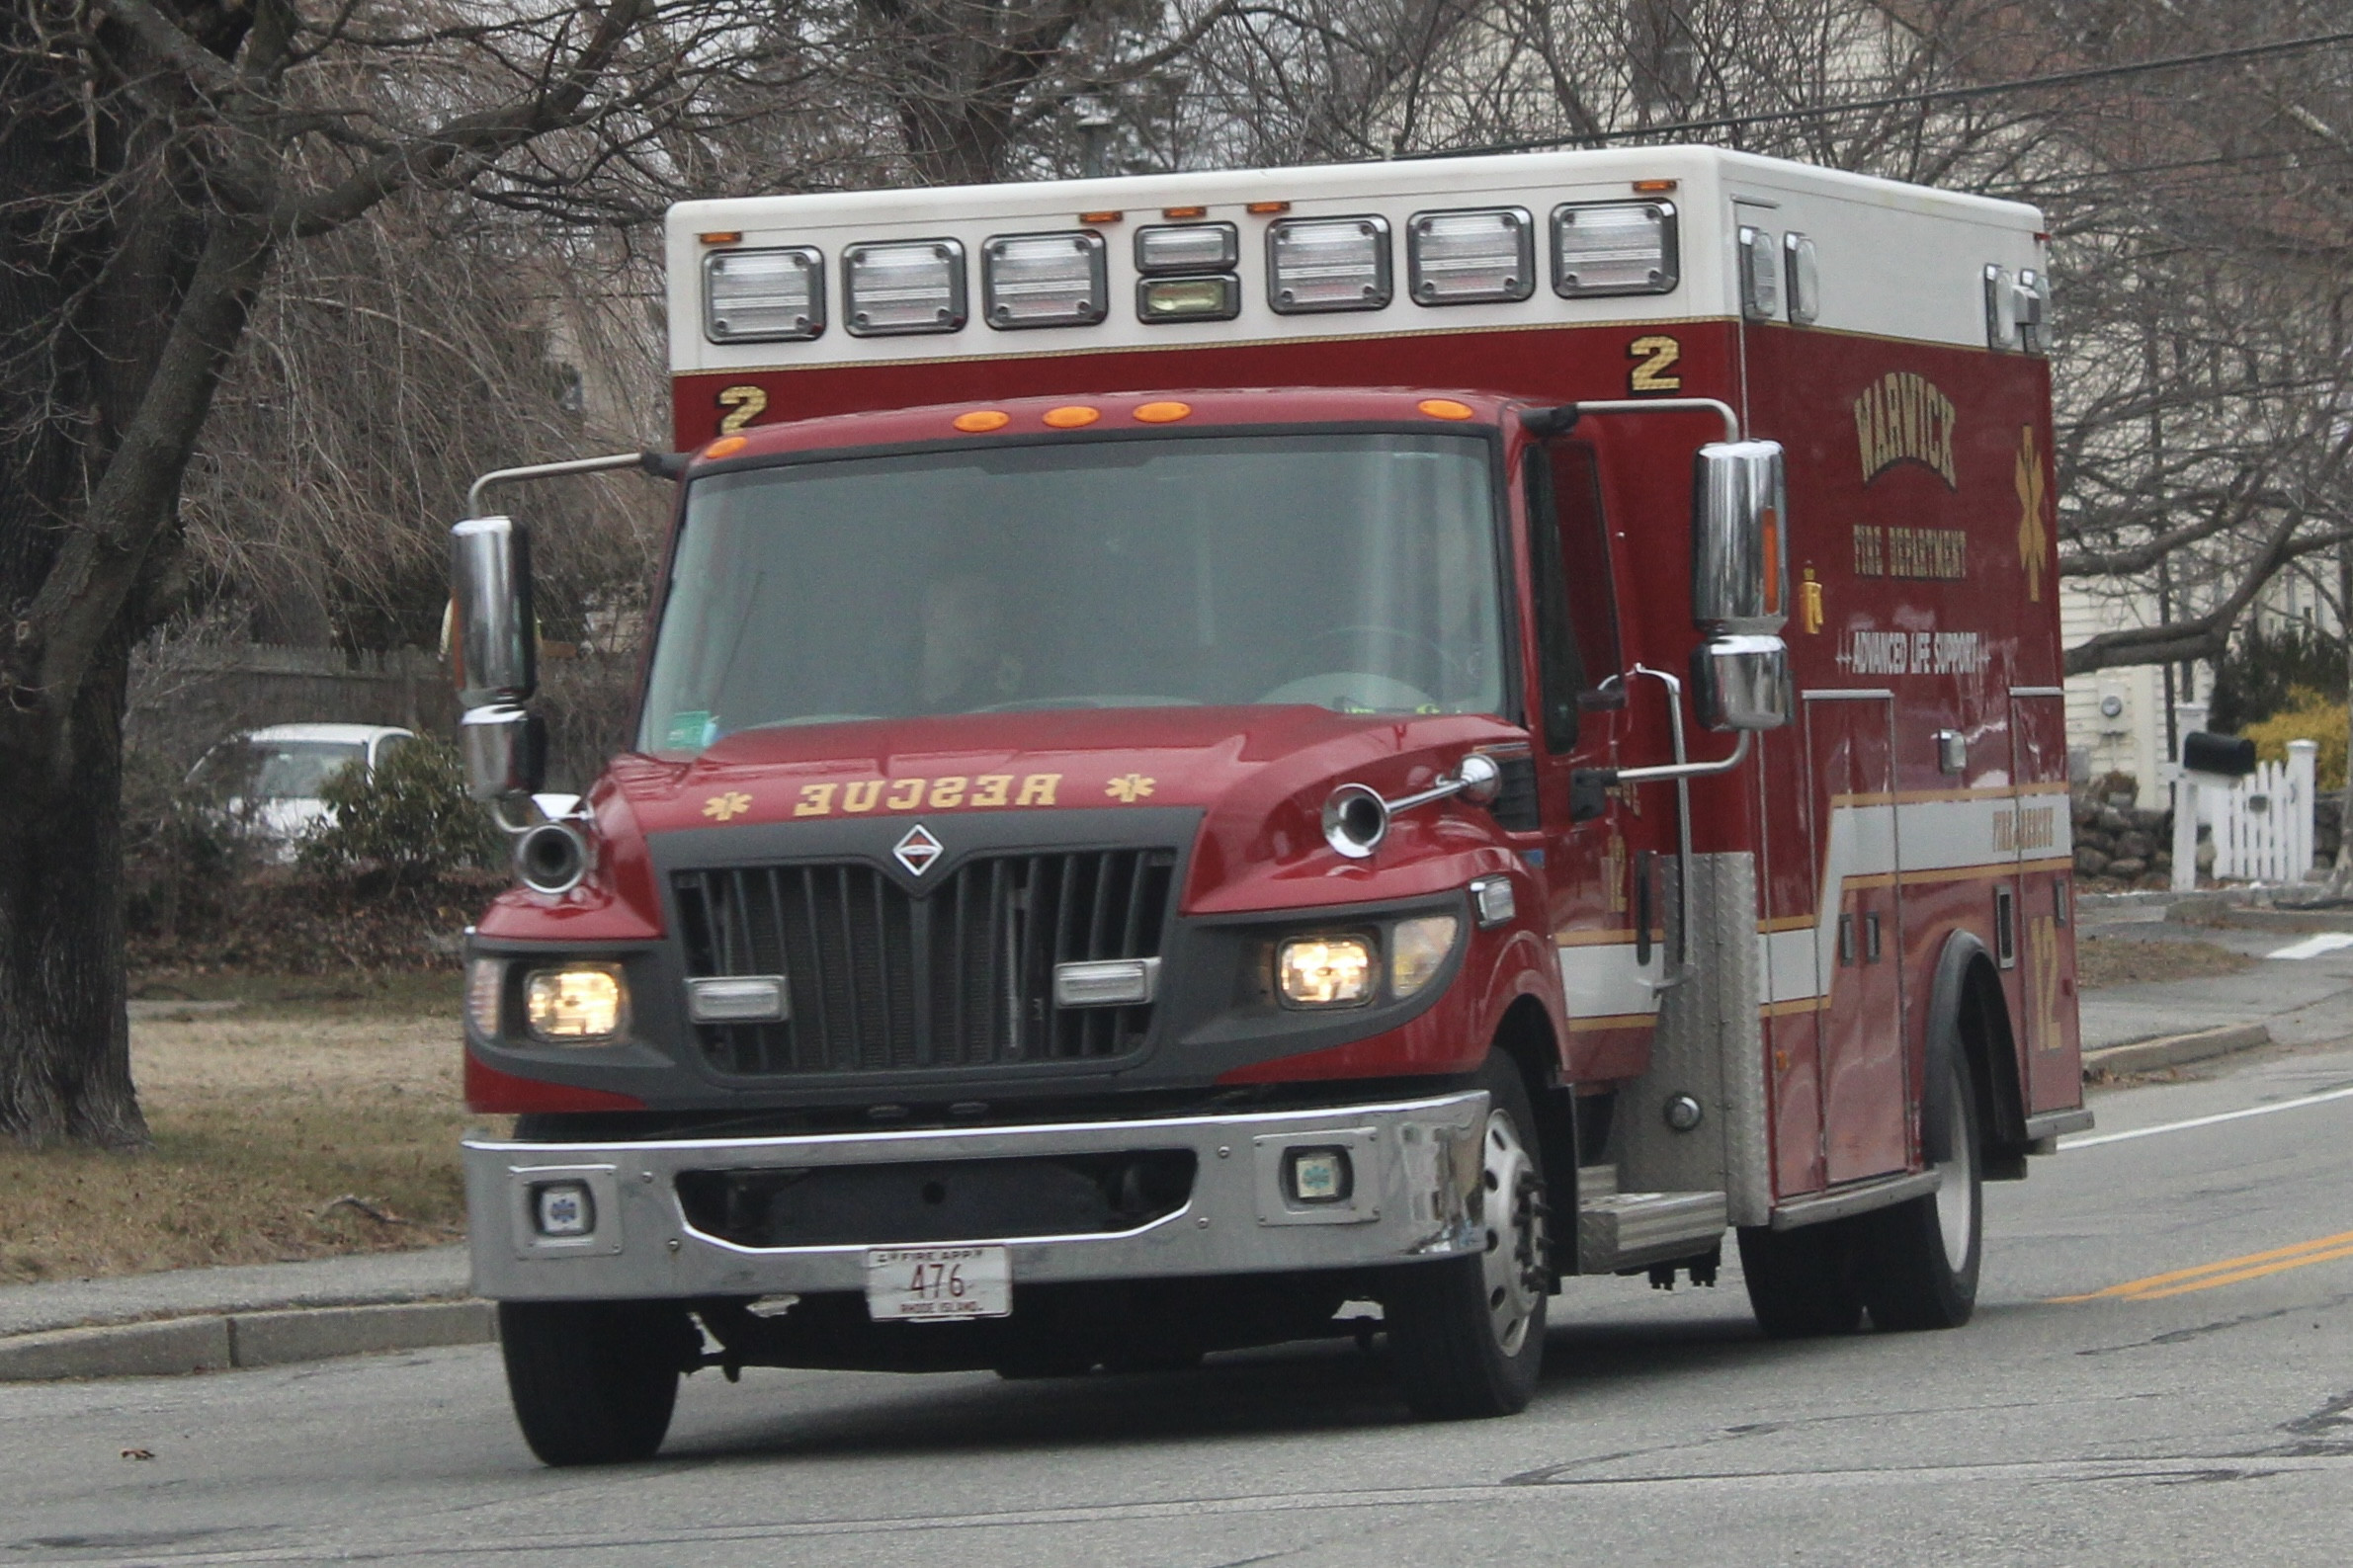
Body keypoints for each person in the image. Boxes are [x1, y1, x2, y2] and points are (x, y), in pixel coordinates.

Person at [917, 572, 1025, 712]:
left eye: (996, 606)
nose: (990, 620)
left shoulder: (1011, 696)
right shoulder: (884, 685)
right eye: (972, 605)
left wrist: (1006, 698)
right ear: (931, 610)